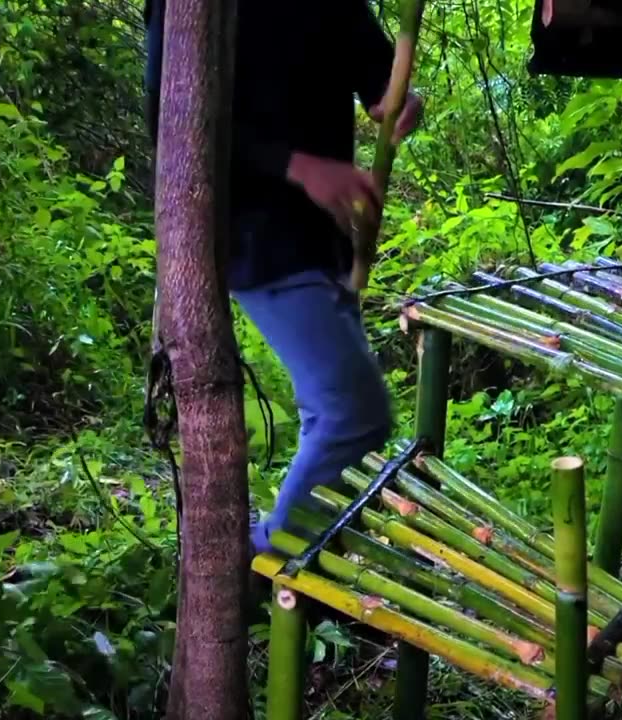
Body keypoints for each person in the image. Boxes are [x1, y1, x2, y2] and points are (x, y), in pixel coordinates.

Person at [144, 0, 423, 555]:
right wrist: (296, 166)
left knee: (331, 410)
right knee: (353, 414)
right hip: (256, 234)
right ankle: (270, 559)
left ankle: (298, 561)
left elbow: (379, 80)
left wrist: (397, 101)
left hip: (324, 234)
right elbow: (173, 119)